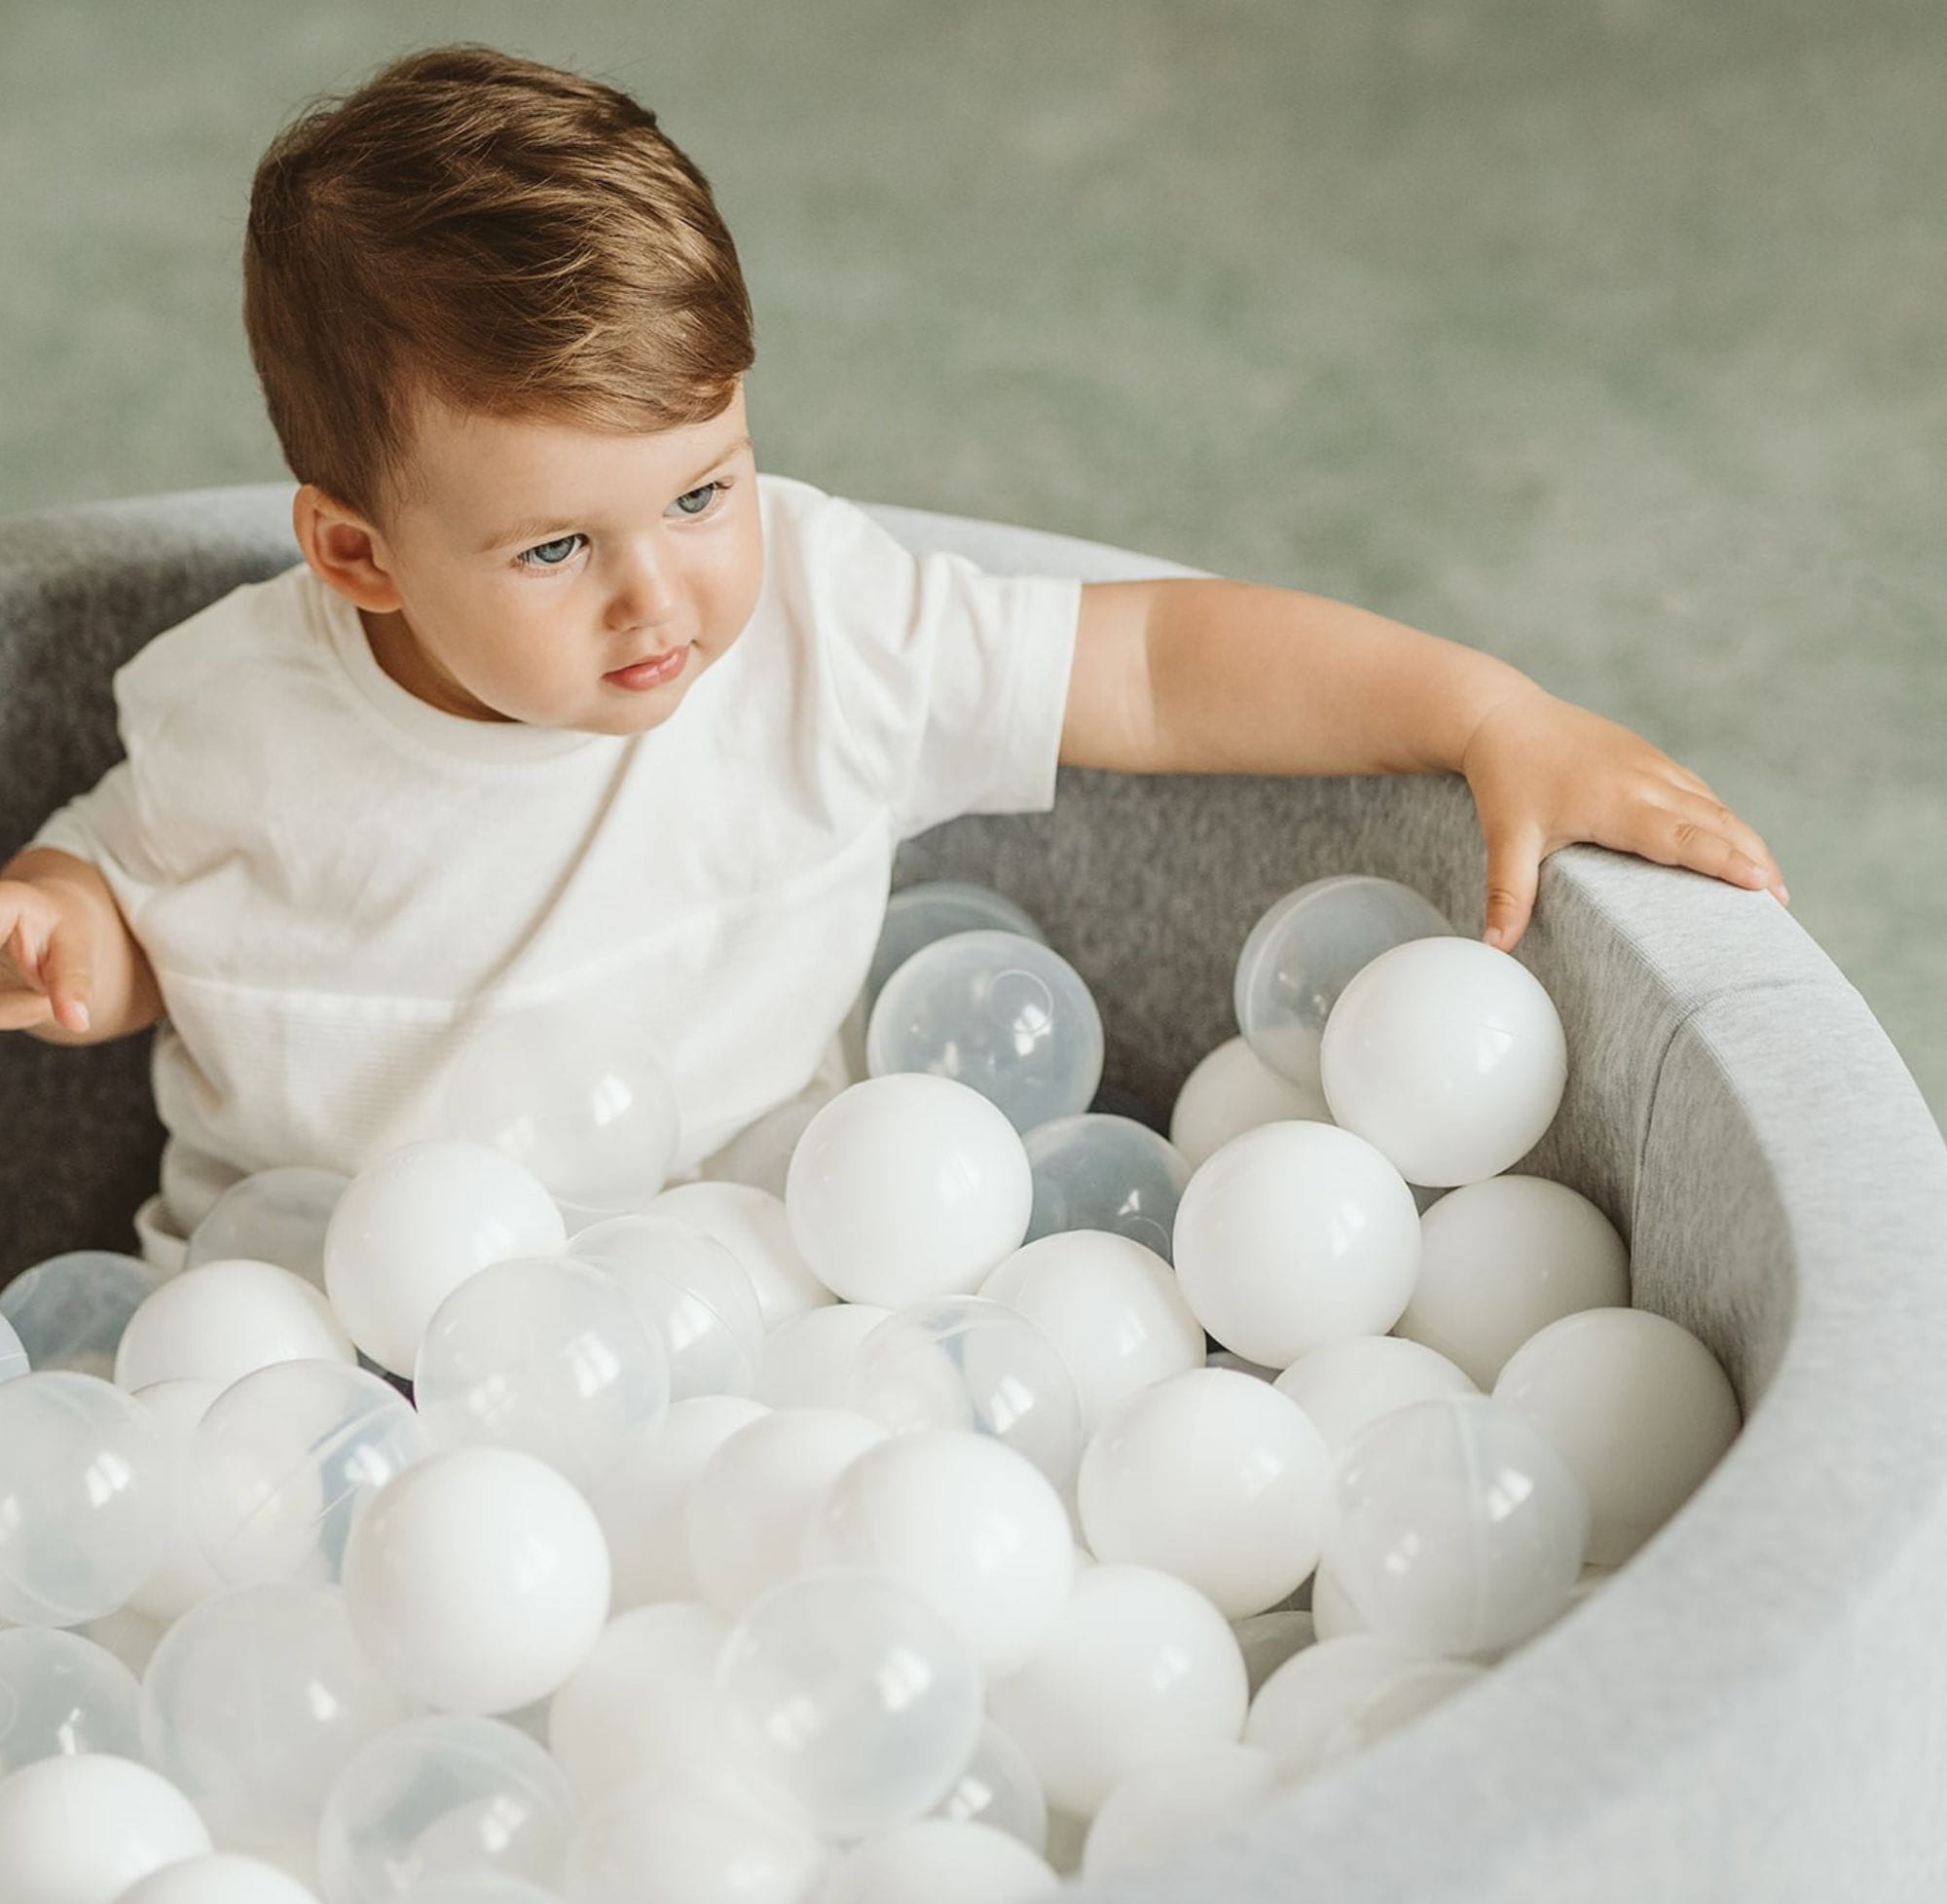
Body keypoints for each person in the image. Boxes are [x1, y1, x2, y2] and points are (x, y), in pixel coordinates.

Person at [0, 44, 1785, 1276]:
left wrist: (1483, 711)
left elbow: (1154, 666)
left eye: (704, 491)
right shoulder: (238, 713)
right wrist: (78, 937)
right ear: (357, 552)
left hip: (763, 1271)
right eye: (558, 549)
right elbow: (148, 903)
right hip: (303, 1338)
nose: (662, 601)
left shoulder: (823, 633)